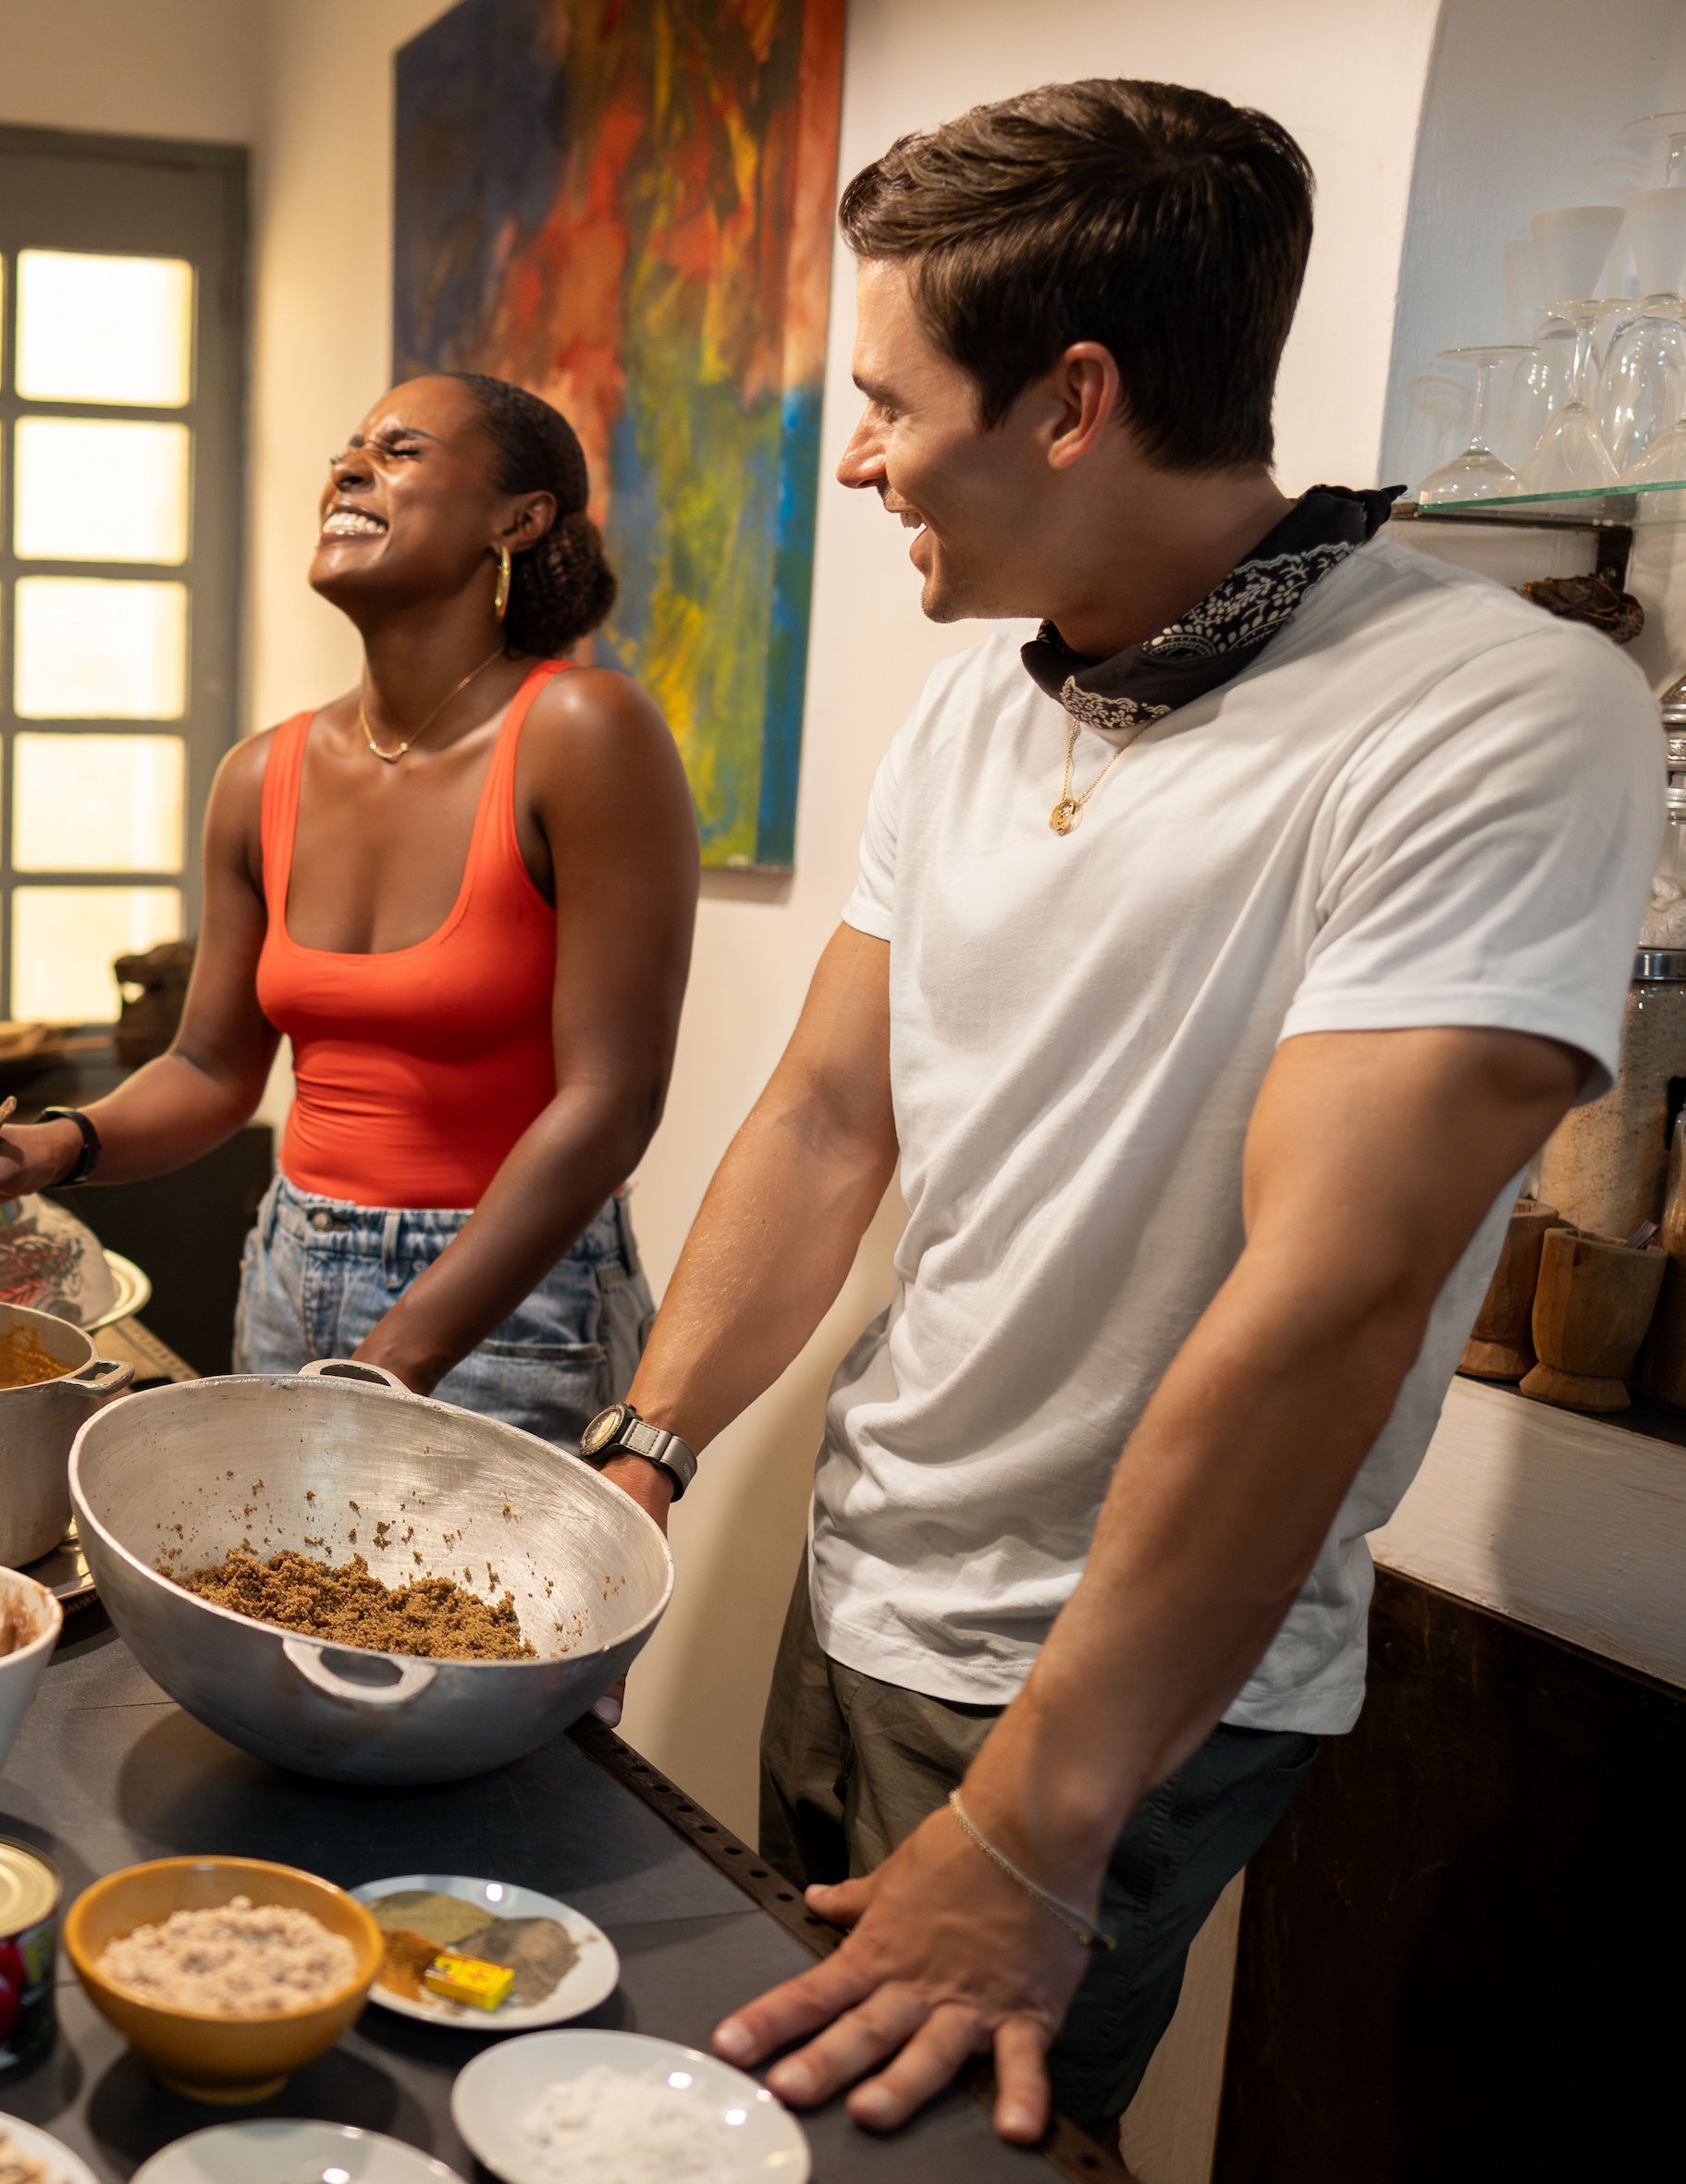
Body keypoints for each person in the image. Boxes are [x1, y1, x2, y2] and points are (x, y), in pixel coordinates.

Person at [574, 81, 1658, 2144]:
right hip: (861, 1574)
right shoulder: (982, 693)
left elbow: (1329, 1304)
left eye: (889, 396)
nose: (862, 450)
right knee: (756, 2118)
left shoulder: (1498, 710)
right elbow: (825, 1117)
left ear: (1072, 401)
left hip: (1108, 1692)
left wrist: (1034, 1825)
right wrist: (642, 1458)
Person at [0, 374, 696, 1437]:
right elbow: (211, 1070)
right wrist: (60, 1143)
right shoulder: (259, 775)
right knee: (275, 1612)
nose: (350, 466)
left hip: (511, 1307)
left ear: (519, 519)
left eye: (402, 449)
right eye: (349, 448)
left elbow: (612, 1101)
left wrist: (397, 1354)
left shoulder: (583, 730)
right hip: (288, 1270)